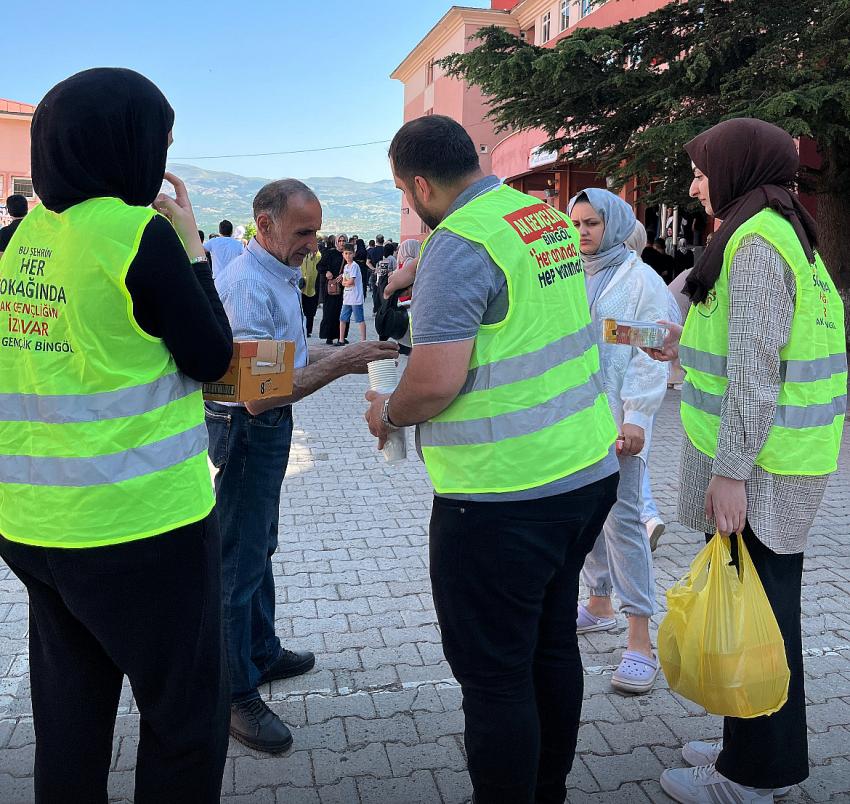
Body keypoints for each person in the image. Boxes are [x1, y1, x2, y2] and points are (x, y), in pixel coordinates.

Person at [365, 114, 619, 804]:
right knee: (549, 646)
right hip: (583, 470)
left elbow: (436, 382)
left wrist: (386, 413)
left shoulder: (460, 243)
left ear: (419, 184)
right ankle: (548, 789)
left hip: (505, 496)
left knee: (496, 675)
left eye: (402, 191)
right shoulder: (539, 219)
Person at [0, 68, 232, 802]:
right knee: (183, 719)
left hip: (33, 527)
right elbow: (211, 358)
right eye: (161, 142)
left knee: (69, 715)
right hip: (139, 526)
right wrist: (192, 245)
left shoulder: (15, 238)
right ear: (124, 143)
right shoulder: (138, 234)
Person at [645, 119, 846, 804]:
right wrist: (680, 344)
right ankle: (744, 738)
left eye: (702, 170)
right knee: (749, 606)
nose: (695, 182)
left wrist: (731, 476)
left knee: (759, 617)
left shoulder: (757, 243)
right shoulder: (779, 232)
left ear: (735, 168)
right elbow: (746, 342)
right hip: (780, 457)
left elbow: (757, 378)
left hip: (761, 467)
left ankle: (757, 773)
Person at [206, 181, 398, 754]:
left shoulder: (273, 276)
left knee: (258, 544)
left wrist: (347, 353)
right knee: (237, 562)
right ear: (262, 225)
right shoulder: (246, 286)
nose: (314, 245)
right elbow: (261, 392)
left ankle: (260, 651)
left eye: (316, 231)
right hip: (247, 429)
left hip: (261, 428)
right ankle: (233, 693)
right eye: (303, 233)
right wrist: (344, 360)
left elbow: (284, 352)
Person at [568, 189, 669, 695]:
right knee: (589, 518)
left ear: (616, 222)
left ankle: (640, 641)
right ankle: (599, 603)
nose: (584, 231)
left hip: (622, 426)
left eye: (593, 222)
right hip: (579, 424)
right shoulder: (571, 276)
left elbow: (651, 350)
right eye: (578, 222)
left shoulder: (640, 281)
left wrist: (636, 417)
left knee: (625, 521)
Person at [624, 220, 677, 550]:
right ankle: (646, 516)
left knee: (628, 459)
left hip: (631, 386)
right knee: (635, 459)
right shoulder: (650, 278)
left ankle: (645, 517)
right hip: (646, 386)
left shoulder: (635, 281)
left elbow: (649, 336)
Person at [318, 233, 345, 344]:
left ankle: (341, 336)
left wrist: (343, 275)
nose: (342, 243)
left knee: (341, 312)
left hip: (343, 287)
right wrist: (326, 272)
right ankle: (329, 336)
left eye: (343, 240)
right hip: (330, 287)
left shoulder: (347, 254)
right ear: (336, 242)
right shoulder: (330, 253)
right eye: (340, 240)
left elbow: (351, 268)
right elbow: (319, 266)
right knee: (329, 312)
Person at [339, 242, 367, 343]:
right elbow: (344, 281)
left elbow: (351, 281)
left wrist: (345, 283)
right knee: (342, 319)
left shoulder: (355, 266)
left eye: (350, 253)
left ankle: (363, 340)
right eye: (346, 253)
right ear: (343, 254)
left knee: (359, 319)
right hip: (347, 297)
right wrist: (345, 283)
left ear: (354, 254)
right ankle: (341, 339)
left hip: (355, 297)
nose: (348, 255)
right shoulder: (346, 267)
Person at [300, 243, 321, 336]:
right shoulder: (302, 255)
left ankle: (308, 330)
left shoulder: (318, 256)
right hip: (301, 286)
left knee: (311, 311)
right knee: (301, 310)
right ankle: (301, 329)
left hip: (313, 286)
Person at [373, 241, 398, 313]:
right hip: (388, 280)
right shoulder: (392, 259)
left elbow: (380, 272)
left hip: (381, 281)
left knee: (382, 297)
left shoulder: (383, 260)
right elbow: (395, 269)